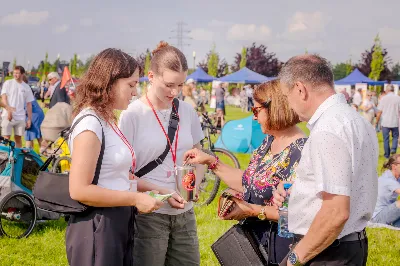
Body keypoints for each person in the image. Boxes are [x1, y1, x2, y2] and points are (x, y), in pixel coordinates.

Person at [184, 79, 307, 265]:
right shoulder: (268, 141)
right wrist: (211, 162)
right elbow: (248, 181)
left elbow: (296, 213)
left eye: (256, 110)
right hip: (255, 243)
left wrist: (251, 210)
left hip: (282, 249)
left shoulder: (302, 151)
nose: (254, 117)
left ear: (275, 109)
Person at [273, 54, 378, 266]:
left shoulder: (328, 129)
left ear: (300, 90)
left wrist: (293, 259)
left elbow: (336, 212)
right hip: (345, 246)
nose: (289, 105)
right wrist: (304, 190)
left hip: (327, 251)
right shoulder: (357, 121)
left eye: (286, 96)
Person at [66, 48, 164, 266]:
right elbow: (79, 190)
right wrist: (136, 199)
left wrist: (160, 190)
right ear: (109, 82)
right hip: (97, 225)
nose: (135, 92)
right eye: (130, 85)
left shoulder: (106, 119)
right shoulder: (90, 123)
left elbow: (118, 172)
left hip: (117, 220)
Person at [119, 41, 205, 266]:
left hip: (184, 214)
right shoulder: (132, 115)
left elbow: (199, 155)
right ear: (150, 76)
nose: (175, 92)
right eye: (169, 85)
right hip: (149, 214)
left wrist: (196, 183)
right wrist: (159, 190)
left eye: (180, 84)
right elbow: (122, 173)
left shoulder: (187, 111)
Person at [1, 66, 34, 148]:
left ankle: (17, 158)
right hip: (7, 116)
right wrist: (8, 110)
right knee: (6, 138)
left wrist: (29, 119)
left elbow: (29, 104)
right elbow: (4, 97)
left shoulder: (26, 87)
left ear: (22, 74)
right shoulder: (8, 83)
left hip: (20, 117)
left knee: (18, 139)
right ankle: (3, 158)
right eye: (14, 73)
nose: (15, 75)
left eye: (17, 73)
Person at [371, 154, 400, 227]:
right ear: (394, 166)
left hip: (388, 212)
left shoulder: (396, 177)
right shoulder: (388, 180)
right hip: (378, 217)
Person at [375, 85, 400, 159]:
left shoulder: (383, 98)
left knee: (386, 139)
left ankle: (387, 154)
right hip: (395, 121)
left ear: (387, 90)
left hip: (385, 121)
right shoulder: (398, 98)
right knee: (395, 136)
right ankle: (393, 149)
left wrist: (376, 121)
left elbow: (379, 111)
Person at [22, 75, 45, 149]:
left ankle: (29, 156)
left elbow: (27, 107)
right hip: (37, 115)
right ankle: (48, 154)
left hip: (33, 116)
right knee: (38, 136)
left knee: (29, 137)